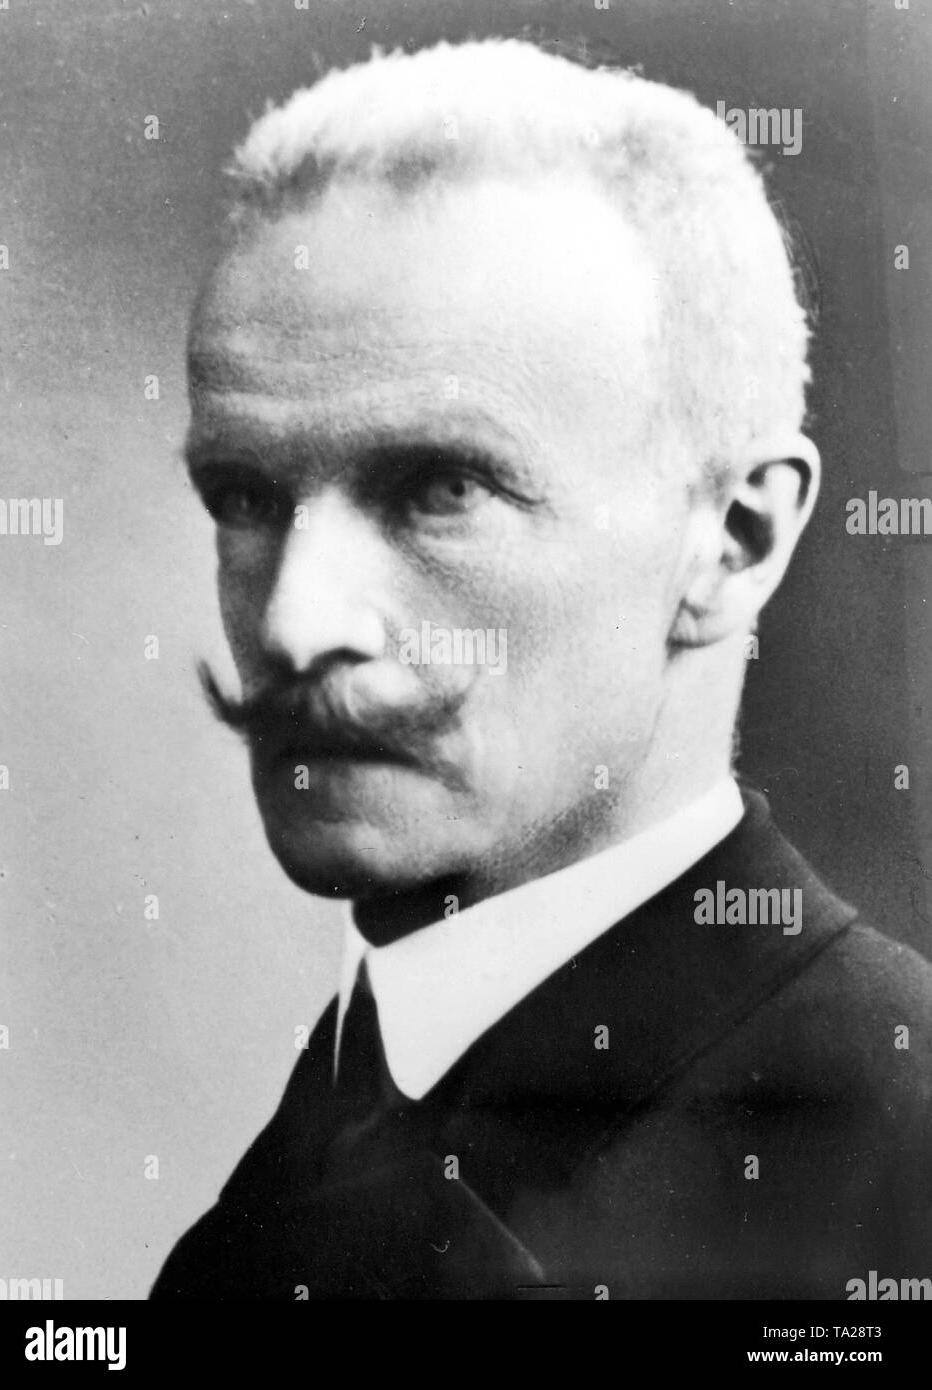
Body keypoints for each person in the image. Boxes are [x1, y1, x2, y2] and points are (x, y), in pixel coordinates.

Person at [151, 38, 932, 1300]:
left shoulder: (899, 1167)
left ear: (732, 540)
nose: (295, 622)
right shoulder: (312, 1155)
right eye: (244, 494)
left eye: (439, 489)